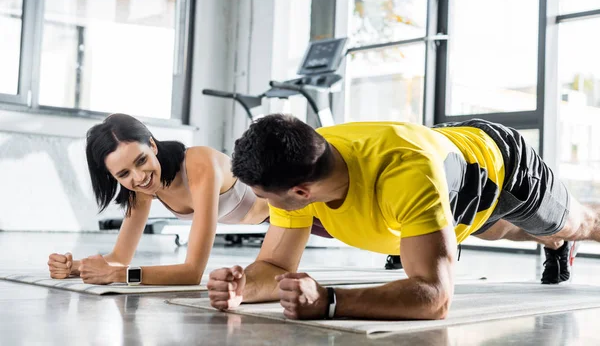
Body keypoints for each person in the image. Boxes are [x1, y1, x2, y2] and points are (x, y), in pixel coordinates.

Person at [207, 115, 596, 320]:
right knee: (494, 232)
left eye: (262, 197)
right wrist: (244, 288)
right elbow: (274, 265)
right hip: (449, 174)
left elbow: (435, 296)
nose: (260, 204)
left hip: (505, 168)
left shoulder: (406, 177)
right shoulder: (301, 159)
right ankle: (552, 240)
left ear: (301, 194)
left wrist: (330, 301)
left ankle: (563, 235)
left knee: (579, 223)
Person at [47, 114, 330, 285]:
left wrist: (116, 277)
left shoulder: (199, 165)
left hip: (304, 201)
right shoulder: (141, 191)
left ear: (153, 146)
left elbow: (193, 272)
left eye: (142, 160)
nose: (139, 176)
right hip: (284, 220)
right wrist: (77, 267)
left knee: (371, 234)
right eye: (124, 174)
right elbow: (120, 258)